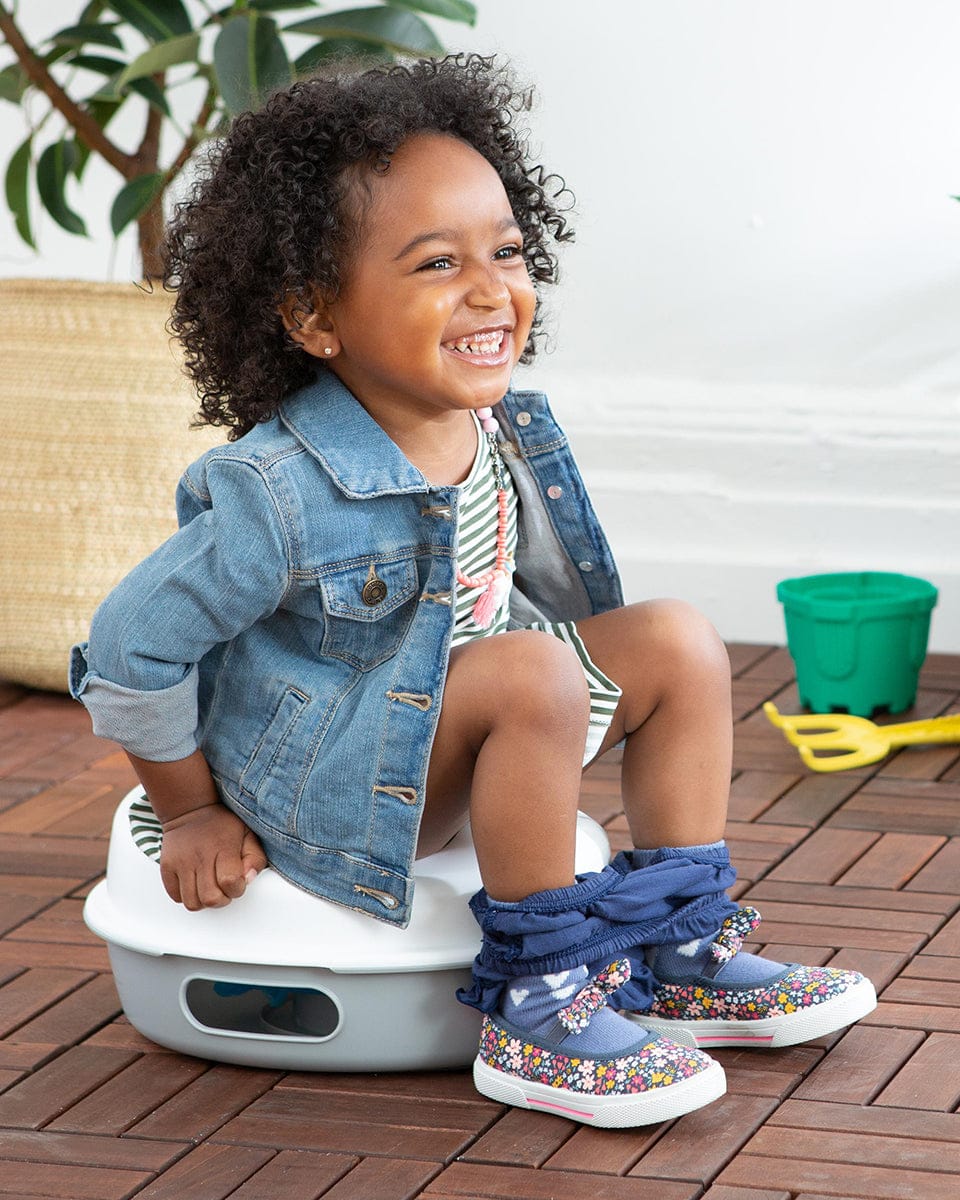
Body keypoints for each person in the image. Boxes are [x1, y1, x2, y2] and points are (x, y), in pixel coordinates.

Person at [69, 54, 875, 1128]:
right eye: (438, 264)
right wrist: (191, 813)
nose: (492, 288)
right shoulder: (277, 491)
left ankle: (676, 944)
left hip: (448, 730)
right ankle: (539, 1001)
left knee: (680, 639)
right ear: (314, 316)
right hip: (325, 790)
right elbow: (128, 645)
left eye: (506, 251)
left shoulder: (497, 428)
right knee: (531, 672)